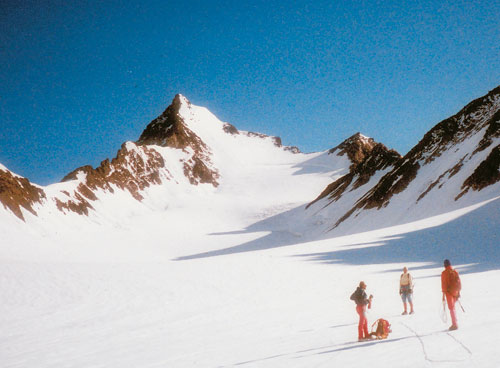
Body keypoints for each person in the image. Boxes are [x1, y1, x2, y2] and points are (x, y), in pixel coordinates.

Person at [441, 259, 461, 330]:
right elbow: (459, 282)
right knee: (453, 308)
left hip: (448, 292)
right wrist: (458, 292)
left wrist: (443, 296)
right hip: (455, 291)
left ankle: (454, 324)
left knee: (451, 308)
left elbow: (443, 285)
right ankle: (455, 321)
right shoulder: (455, 271)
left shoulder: (444, 273)